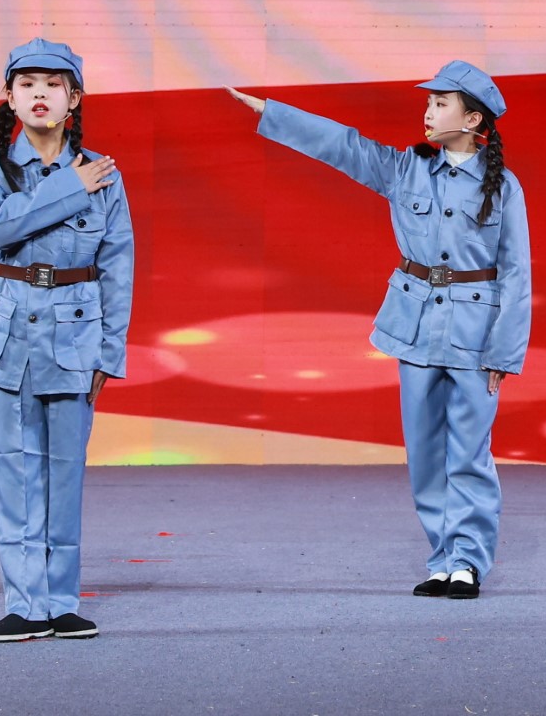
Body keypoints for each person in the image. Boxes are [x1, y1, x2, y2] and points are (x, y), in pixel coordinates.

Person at [225, 61, 529, 599]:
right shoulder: (406, 169)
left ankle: (468, 561)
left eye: (441, 103)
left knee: (469, 453)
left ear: (472, 118)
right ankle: (442, 560)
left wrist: (504, 353)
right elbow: (343, 146)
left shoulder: (502, 186)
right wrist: (272, 113)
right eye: (428, 102)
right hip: (414, 329)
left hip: (475, 336)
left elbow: (516, 273)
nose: (428, 111)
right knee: (425, 454)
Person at [0, 39, 134, 642]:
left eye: (54, 84)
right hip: (5, 331)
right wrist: (70, 186)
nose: (40, 94)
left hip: (75, 335)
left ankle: (61, 602)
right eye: (27, 84)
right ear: (9, 97)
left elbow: (118, 266)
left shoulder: (104, 173)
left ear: (74, 98)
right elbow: (0, 230)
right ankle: (23, 605)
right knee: (13, 468)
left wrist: (111, 352)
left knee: (66, 471)